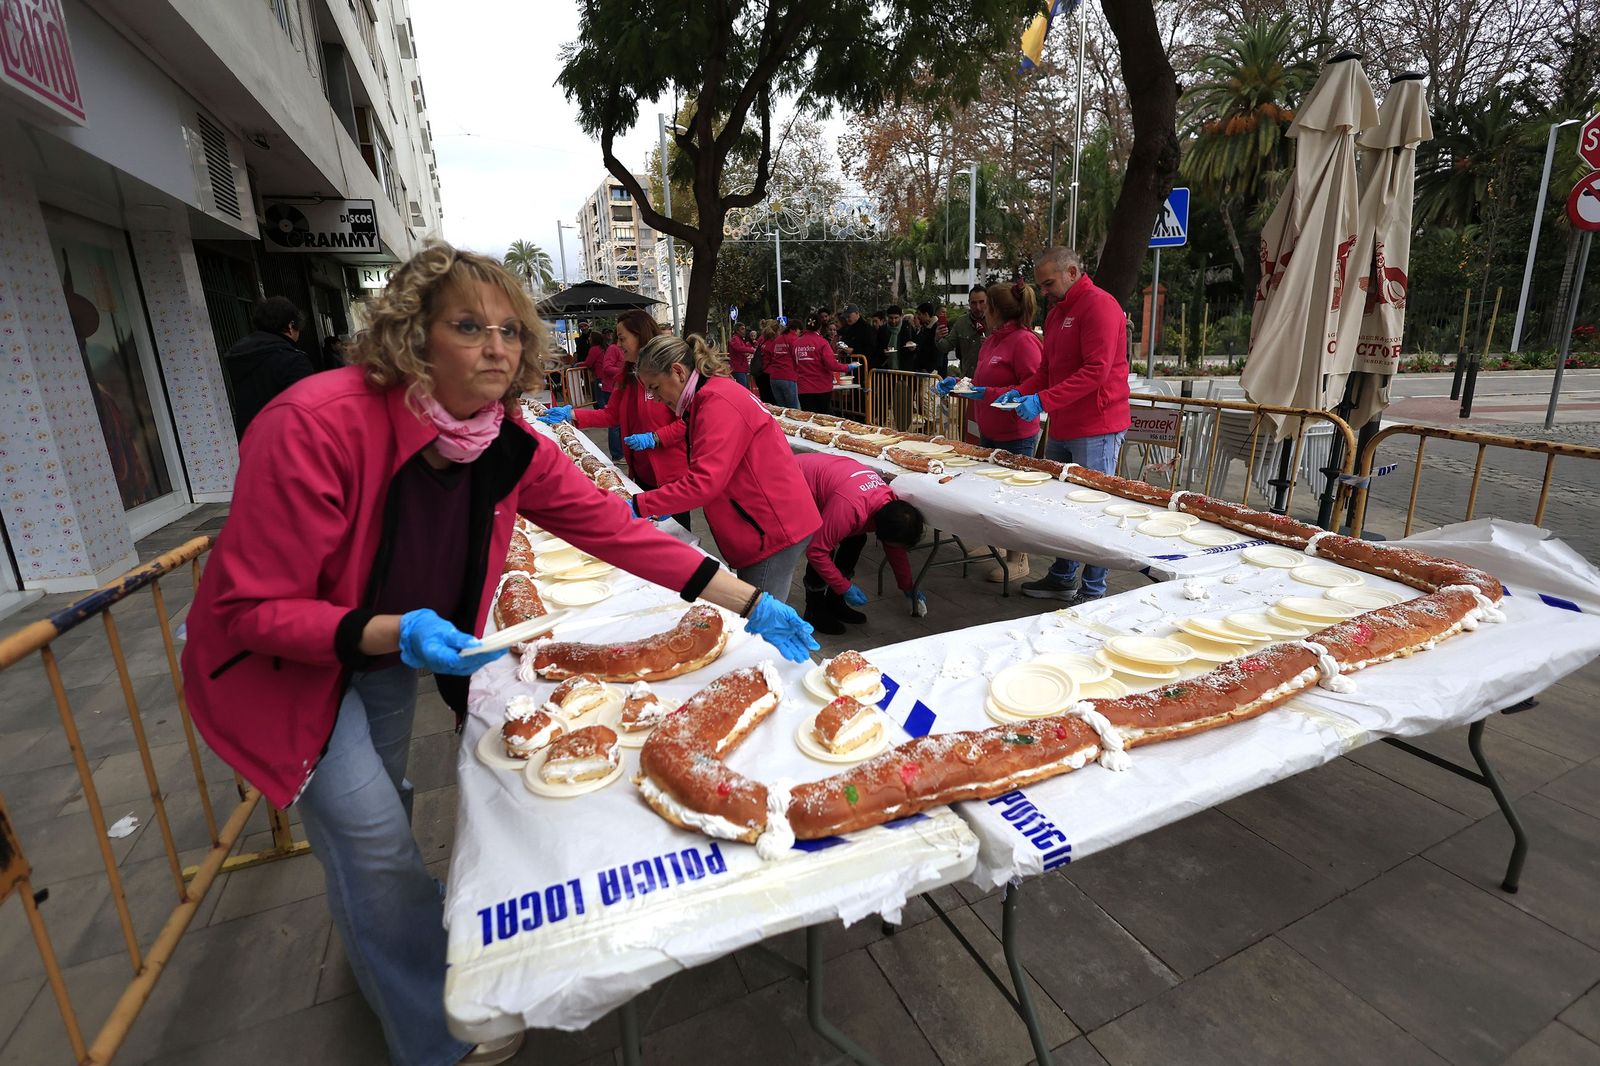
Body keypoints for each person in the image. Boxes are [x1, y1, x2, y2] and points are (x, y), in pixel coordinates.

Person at [179, 243, 816, 1066]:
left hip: (383, 649)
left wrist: (750, 600)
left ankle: (387, 937)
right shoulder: (313, 423)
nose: (496, 347)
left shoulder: (504, 441)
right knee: (371, 838)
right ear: (413, 334)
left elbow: (616, 531)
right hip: (285, 672)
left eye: (510, 331)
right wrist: (394, 631)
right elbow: (252, 608)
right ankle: (432, 1034)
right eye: (468, 327)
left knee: (389, 803)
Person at [632, 333, 822, 600]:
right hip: (764, 522)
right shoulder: (708, 396)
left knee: (756, 616)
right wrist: (665, 502)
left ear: (678, 372)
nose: (654, 397)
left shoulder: (717, 401)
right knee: (758, 608)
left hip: (771, 529)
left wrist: (641, 504)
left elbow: (704, 482)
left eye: (655, 387)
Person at [993, 248, 1131, 604]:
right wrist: (1019, 392)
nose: (1043, 292)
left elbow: (1096, 371)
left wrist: (1042, 401)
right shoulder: (1057, 313)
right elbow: (1046, 372)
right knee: (1061, 506)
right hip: (1064, 424)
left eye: (1048, 283)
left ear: (1072, 271)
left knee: (1094, 509)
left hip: (1098, 426)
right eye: (1040, 285)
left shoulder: (1100, 305)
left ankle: (1094, 591)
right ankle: (1062, 577)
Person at [540, 310, 692, 527]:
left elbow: (688, 421)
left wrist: (656, 437)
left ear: (640, 336)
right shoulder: (627, 377)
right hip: (641, 473)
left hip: (670, 477)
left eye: (622, 338)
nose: (618, 345)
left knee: (678, 536)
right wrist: (571, 414)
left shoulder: (670, 375)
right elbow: (611, 414)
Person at [936, 279, 1044, 581]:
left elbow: (1031, 386)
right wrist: (959, 384)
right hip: (989, 428)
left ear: (995, 310)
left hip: (1016, 432)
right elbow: (982, 382)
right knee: (992, 494)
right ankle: (996, 543)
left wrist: (986, 393)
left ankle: (1018, 558)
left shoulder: (1024, 341)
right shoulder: (992, 340)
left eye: (986, 306)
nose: (981, 311)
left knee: (1013, 497)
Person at [795, 453, 928, 633]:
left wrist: (907, 585)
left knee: (856, 539)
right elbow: (816, 552)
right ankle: (814, 610)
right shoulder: (849, 508)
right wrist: (844, 586)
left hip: (837, 481)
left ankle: (835, 602)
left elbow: (895, 549)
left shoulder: (892, 506)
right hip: (796, 480)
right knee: (825, 548)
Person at [225, 296, 317, 437]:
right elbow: (307, 410)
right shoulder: (293, 360)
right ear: (291, 325)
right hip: (285, 440)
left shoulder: (239, 355)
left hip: (250, 439)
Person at [794, 318, 854, 414]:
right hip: (822, 387)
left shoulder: (797, 343)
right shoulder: (822, 342)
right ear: (820, 327)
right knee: (823, 417)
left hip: (804, 388)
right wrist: (848, 367)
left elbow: (794, 364)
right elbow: (832, 364)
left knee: (808, 418)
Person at [935, 285, 989, 378]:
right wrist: (938, 338)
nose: (978, 307)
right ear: (969, 303)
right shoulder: (961, 322)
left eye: (981, 302)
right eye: (973, 303)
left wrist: (992, 346)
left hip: (989, 379)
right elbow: (946, 346)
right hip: (967, 380)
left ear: (988, 301)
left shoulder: (996, 321)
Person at [766, 317, 800, 409]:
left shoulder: (777, 339)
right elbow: (797, 357)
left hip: (774, 377)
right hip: (788, 376)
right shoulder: (794, 339)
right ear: (796, 329)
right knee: (793, 410)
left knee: (782, 410)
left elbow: (771, 354)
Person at [908, 302, 942, 373]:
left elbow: (937, 350)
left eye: (919, 314)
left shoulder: (937, 328)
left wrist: (929, 369)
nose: (918, 317)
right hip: (922, 369)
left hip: (931, 370)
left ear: (926, 314)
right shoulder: (925, 327)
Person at [839, 304, 875, 370]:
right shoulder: (847, 328)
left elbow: (871, 348)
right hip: (850, 367)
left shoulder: (866, 328)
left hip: (862, 367)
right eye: (846, 317)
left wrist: (854, 351)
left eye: (849, 316)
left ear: (857, 313)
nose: (847, 319)